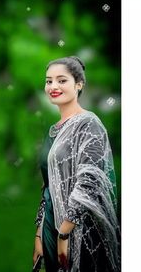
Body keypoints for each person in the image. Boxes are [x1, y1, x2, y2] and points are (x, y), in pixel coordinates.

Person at [32, 56, 120, 272]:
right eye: (49, 81)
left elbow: (90, 182)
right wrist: (39, 233)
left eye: (62, 80)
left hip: (79, 229)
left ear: (79, 84)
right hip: (50, 227)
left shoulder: (89, 125)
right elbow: (48, 188)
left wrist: (65, 232)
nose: (53, 86)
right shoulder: (52, 131)